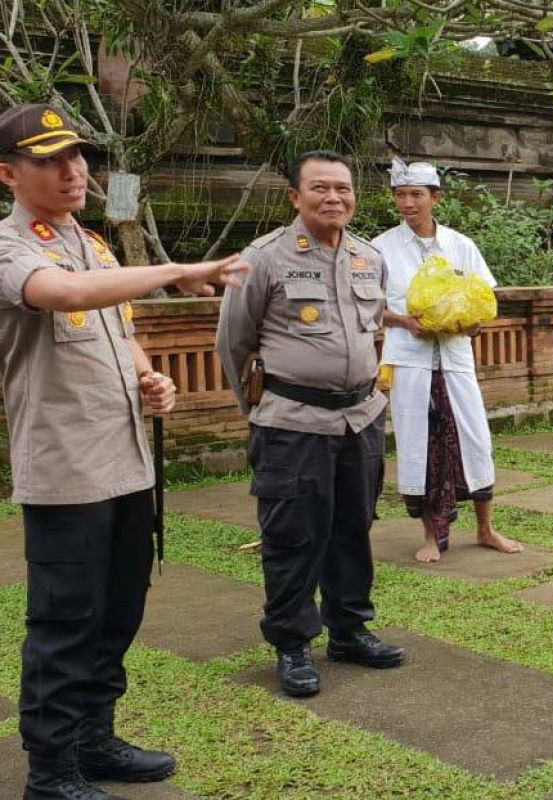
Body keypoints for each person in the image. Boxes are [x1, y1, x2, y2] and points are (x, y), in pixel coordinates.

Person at [0, 103, 249, 800]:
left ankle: (93, 738)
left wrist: (149, 376)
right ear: (8, 175)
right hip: (65, 473)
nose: (74, 170)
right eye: (50, 159)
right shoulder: (11, 247)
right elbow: (64, 295)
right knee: (64, 623)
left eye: (77, 156)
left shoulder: (97, 245)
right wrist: (175, 269)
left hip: (125, 464)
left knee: (118, 609)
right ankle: (49, 774)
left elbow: (115, 324)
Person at [217, 150, 405, 700]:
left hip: (360, 419)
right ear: (296, 197)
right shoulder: (264, 258)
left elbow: (373, 332)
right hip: (293, 423)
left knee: (353, 528)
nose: (334, 198)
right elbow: (233, 341)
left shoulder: (369, 258)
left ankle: (348, 629)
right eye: (320, 188)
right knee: (293, 536)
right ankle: (293, 644)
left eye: (343, 189)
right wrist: (259, 409)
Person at [372, 159, 522, 563]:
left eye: (416, 195)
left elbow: (485, 300)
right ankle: (429, 535)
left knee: (473, 438)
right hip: (409, 359)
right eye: (401, 195)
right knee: (418, 443)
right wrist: (403, 320)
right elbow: (366, 305)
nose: (408, 203)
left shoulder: (460, 245)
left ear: (435, 198)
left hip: (455, 358)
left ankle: (486, 528)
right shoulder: (381, 248)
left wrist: (470, 325)